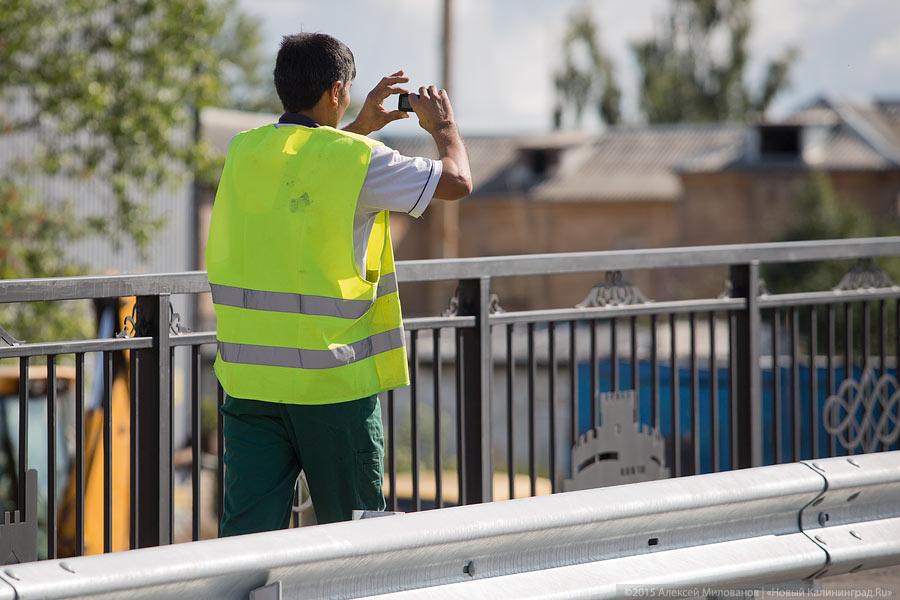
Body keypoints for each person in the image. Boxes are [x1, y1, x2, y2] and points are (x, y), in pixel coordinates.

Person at [206, 32, 472, 535]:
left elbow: (303, 172)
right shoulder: (357, 162)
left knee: (244, 546)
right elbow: (457, 181)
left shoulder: (245, 151)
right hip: (331, 386)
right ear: (336, 91)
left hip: (250, 384)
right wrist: (445, 128)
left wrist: (358, 129)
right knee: (353, 543)